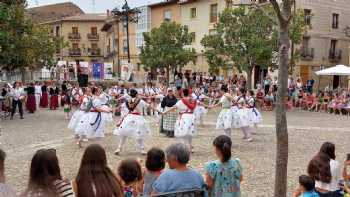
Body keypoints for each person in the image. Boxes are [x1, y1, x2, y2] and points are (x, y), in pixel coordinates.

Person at [114, 89, 158, 155]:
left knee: (124, 134)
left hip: (129, 118)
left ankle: (119, 148)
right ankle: (142, 149)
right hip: (138, 118)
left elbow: (119, 107)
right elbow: (149, 106)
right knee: (139, 134)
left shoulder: (128, 101)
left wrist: (112, 110)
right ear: (137, 94)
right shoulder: (140, 101)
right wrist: (159, 111)